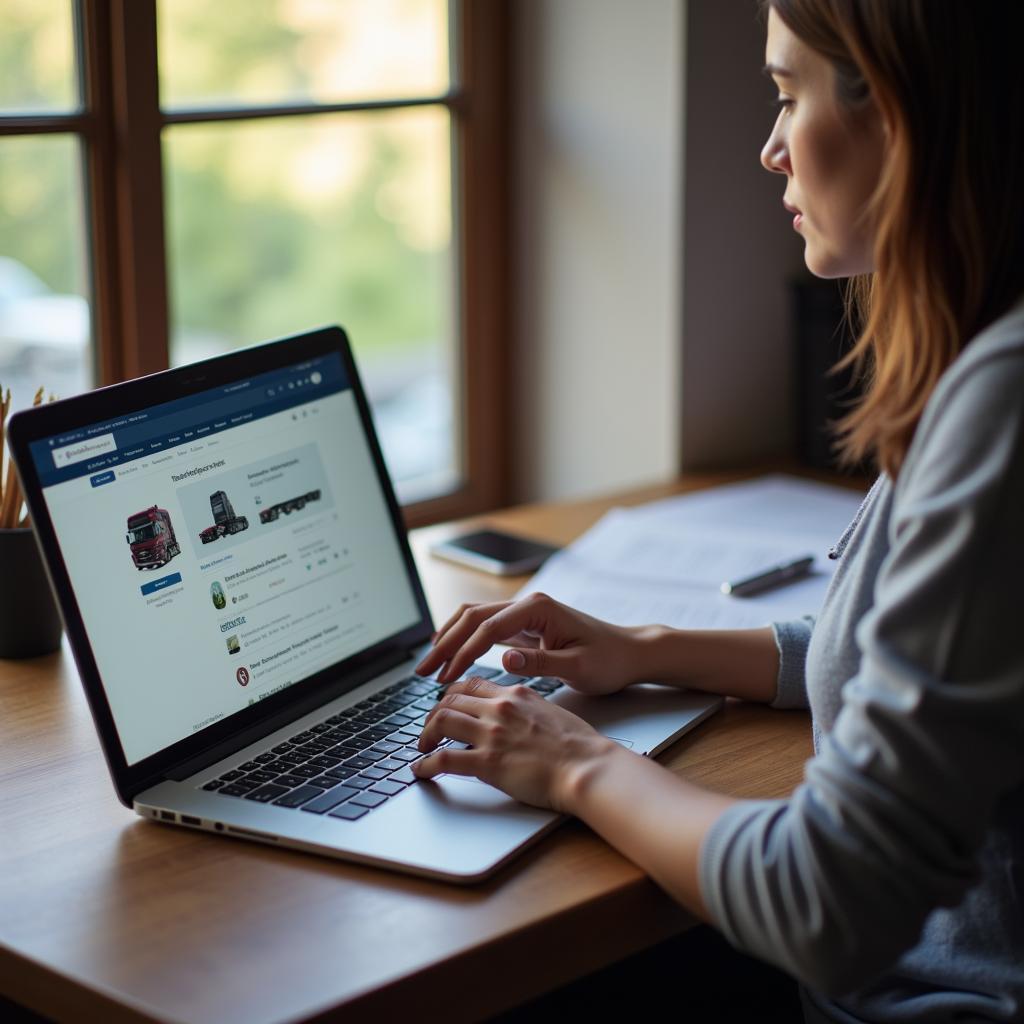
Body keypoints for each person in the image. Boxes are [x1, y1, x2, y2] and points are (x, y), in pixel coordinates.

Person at [412, 1, 1024, 1020]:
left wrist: (576, 763)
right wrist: (646, 647)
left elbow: (826, 899)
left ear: (902, 109)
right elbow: (918, 655)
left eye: (789, 95)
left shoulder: (1000, 406)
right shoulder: (984, 354)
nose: (770, 148)